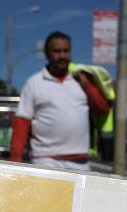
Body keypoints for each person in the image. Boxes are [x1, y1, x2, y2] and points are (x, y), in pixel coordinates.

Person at [9, 31, 111, 170]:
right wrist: (15, 159)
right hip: (45, 161)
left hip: (80, 162)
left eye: (66, 51)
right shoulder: (34, 83)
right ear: (47, 54)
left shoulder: (82, 80)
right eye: (56, 51)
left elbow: (103, 108)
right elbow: (22, 121)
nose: (62, 56)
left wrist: (87, 86)